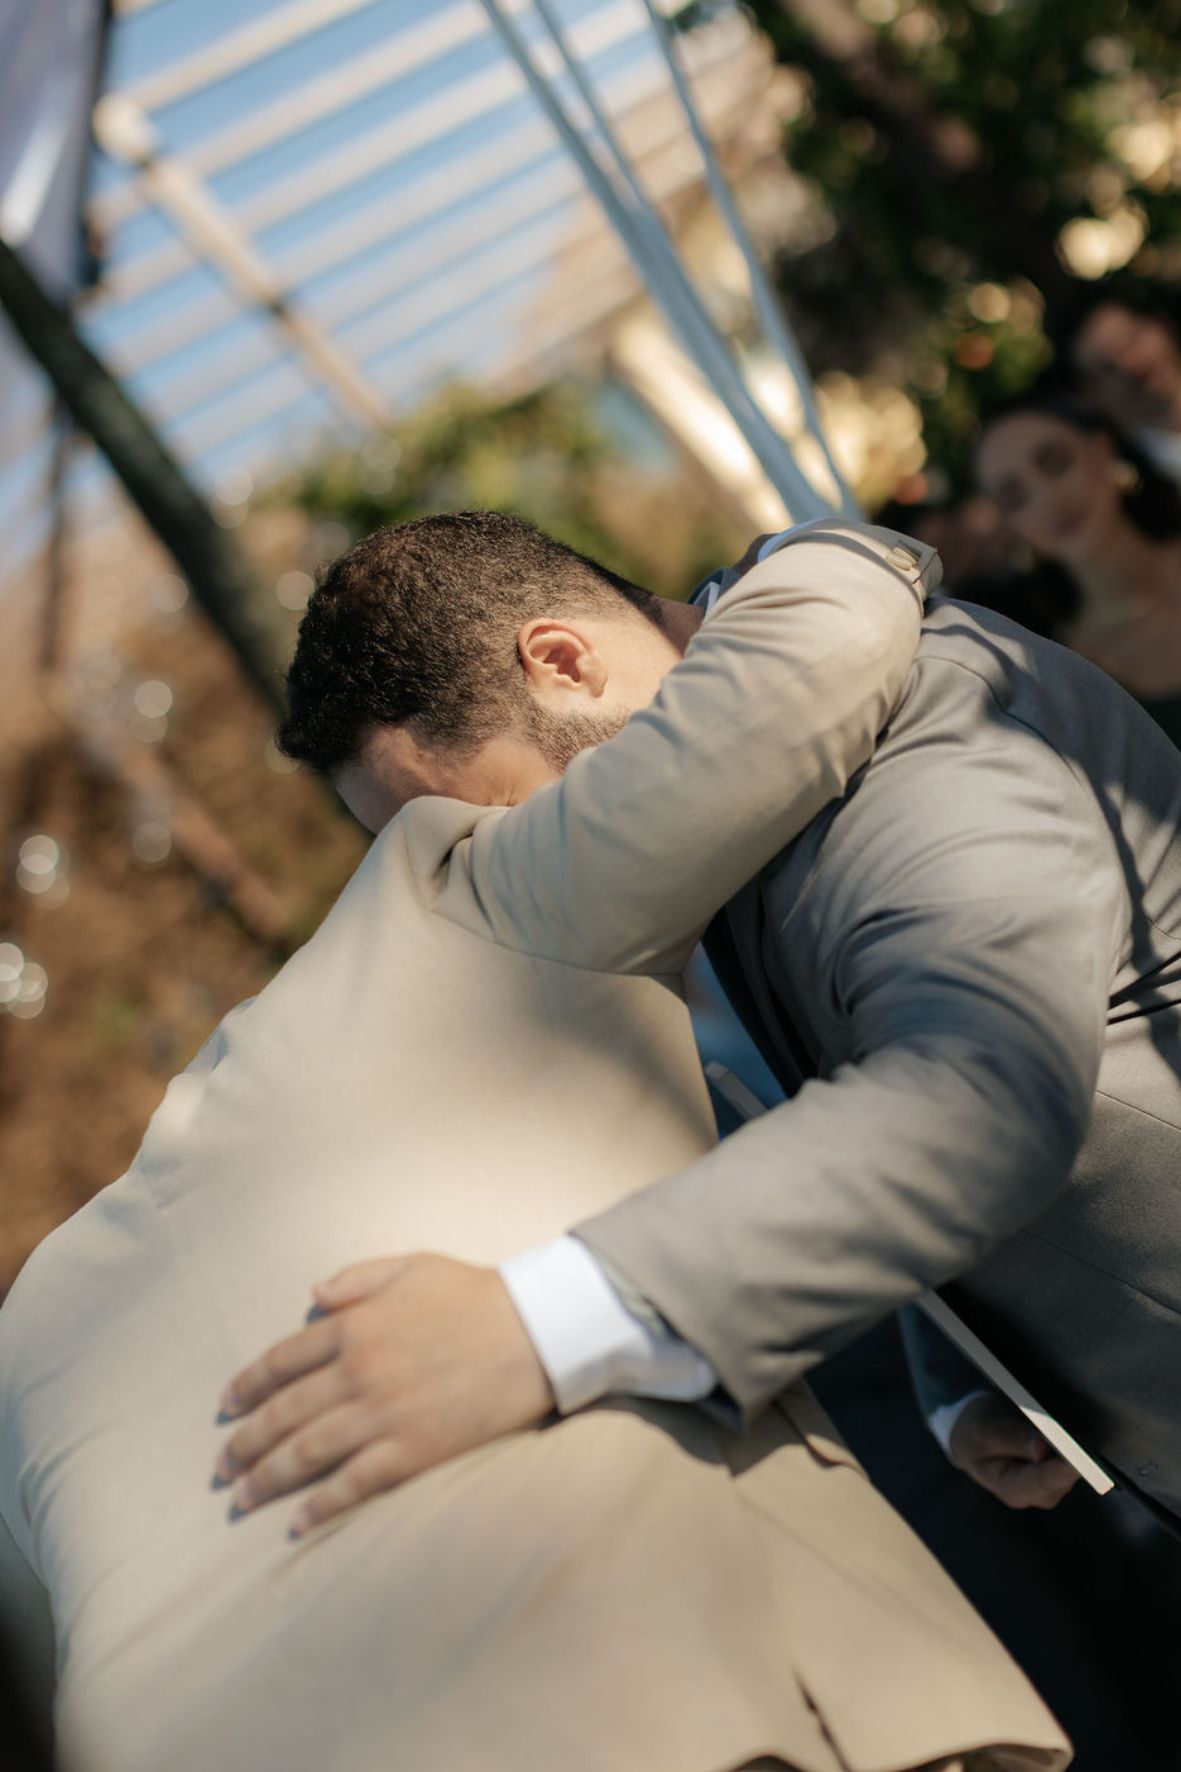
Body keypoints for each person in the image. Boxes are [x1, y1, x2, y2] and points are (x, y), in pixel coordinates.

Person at [0, 515, 1069, 1772]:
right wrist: (833, 546)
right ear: (555, 664)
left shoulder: (38, 1328)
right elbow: (814, 653)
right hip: (653, 1703)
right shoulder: (464, 891)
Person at [227, 500, 1181, 1548]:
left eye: (509, 825)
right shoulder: (741, 809)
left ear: (562, 661)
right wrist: (964, 1364)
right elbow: (866, 1083)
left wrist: (534, 1324)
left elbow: (975, 1091)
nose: (537, 869)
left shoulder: (925, 734)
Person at [974, 389, 1181, 746]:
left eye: (1056, 464)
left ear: (1102, 450)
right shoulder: (1065, 680)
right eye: (1016, 497)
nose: (1048, 499)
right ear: (1011, 527)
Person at [1058, 282, 1181, 485]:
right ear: (1089, 395)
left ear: (1162, 326)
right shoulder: (1127, 487)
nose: (1131, 364)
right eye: (1107, 367)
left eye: (1132, 339)